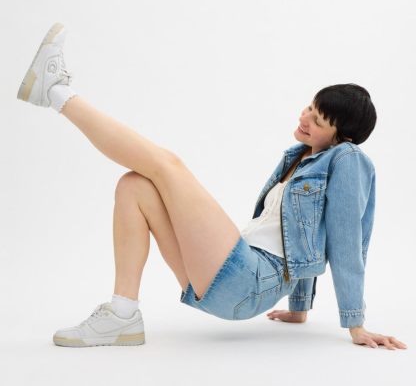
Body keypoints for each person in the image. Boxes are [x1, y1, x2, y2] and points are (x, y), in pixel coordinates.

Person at [17, 23, 407, 350]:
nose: (304, 117)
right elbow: (301, 238)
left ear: (341, 138)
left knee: (167, 165)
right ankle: (122, 315)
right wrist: (299, 309)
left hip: (250, 279)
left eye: (317, 121)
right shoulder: (299, 156)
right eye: (310, 107)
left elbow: (345, 240)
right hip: (239, 276)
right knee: (135, 186)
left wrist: (355, 324)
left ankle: (56, 92)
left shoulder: (347, 160)